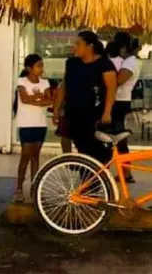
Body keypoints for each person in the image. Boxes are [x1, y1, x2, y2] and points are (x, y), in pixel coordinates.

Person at [53, 31, 117, 164]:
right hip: (74, 115)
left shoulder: (104, 64)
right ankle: (88, 181)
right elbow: (63, 86)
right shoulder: (72, 63)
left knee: (98, 154)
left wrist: (107, 112)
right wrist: (56, 108)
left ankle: (97, 182)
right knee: (83, 153)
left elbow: (112, 89)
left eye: (78, 44)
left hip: (95, 116)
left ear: (90, 46)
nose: (74, 47)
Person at [14, 54, 51, 202]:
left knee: (35, 157)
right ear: (29, 68)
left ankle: (35, 188)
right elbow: (24, 98)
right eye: (38, 66)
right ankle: (18, 188)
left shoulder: (45, 82)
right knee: (25, 156)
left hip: (40, 124)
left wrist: (35, 99)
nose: (41, 69)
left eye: (42, 66)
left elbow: (48, 100)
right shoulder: (21, 81)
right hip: (26, 124)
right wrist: (39, 98)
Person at [112, 33, 142, 183]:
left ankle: (126, 171)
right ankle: (125, 171)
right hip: (119, 101)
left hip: (120, 102)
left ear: (123, 48)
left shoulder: (130, 63)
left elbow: (117, 81)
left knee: (120, 138)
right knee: (119, 139)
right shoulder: (127, 61)